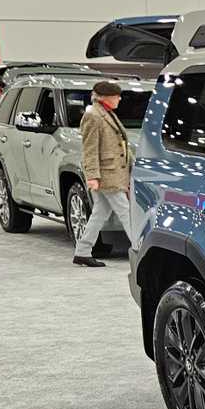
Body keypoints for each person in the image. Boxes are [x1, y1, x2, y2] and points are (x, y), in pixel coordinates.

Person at [73, 80, 138, 268]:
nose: (119, 99)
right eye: (116, 96)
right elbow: (89, 149)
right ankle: (140, 249)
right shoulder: (93, 116)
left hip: (112, 173)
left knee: (100, 214)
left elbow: (122, 145)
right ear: (106, 97)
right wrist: (92, 175)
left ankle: (82, 251)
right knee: (126, 212)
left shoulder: (105, 114)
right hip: (106, 175)